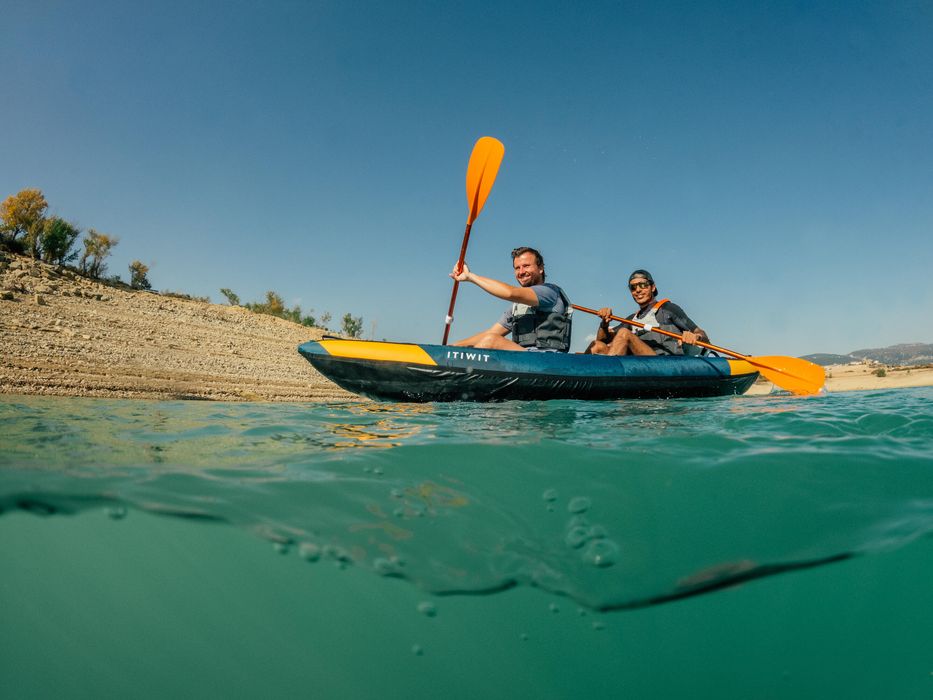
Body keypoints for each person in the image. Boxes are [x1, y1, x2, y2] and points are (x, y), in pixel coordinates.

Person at [450, 246, 573, 352]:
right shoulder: (517, 307)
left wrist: (470, 277)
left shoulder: (549, 292)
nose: (521, 272)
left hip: (548, 361)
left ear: (540, 268)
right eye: (517, 268)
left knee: (491, 341)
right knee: (489, 338)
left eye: (526, 266)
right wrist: (453, 346)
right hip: (522, 359)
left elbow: (510, 293)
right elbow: (491, 333)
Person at [585, 269, 708, 356]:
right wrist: (604, 324)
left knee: (624, 333)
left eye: (642, 285)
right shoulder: (631, 319)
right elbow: (603, 340)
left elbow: (701, 333)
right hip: (639, 365)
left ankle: (608, 379)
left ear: (652, 287)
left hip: (664, 364)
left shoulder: (668, 309)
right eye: (633, 287)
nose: (638, 290)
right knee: (596, 345)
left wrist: (695, 336)